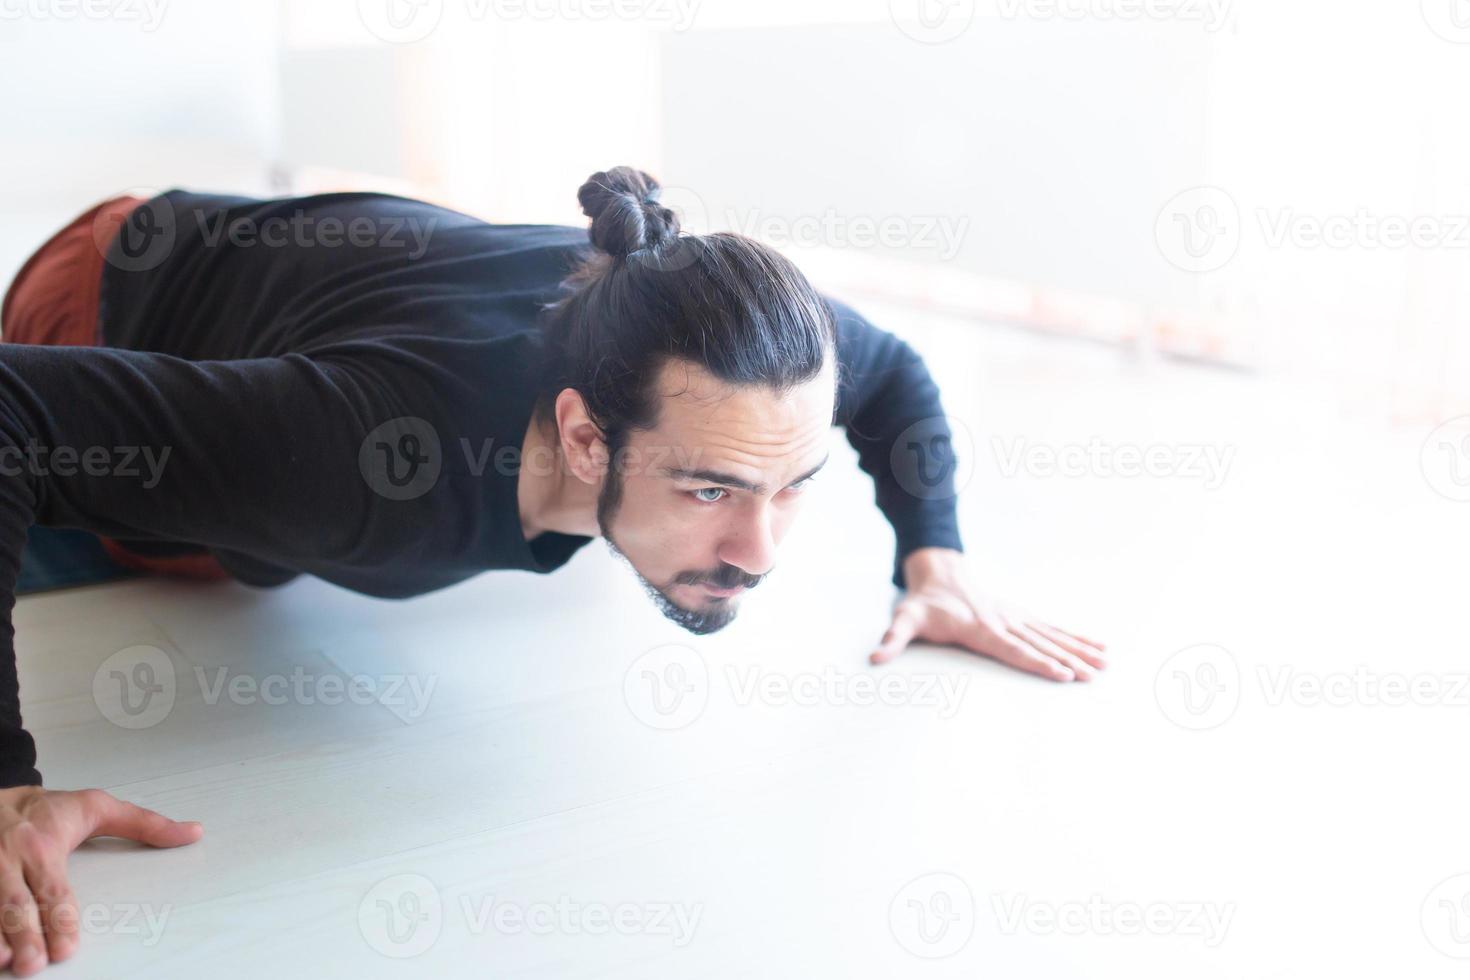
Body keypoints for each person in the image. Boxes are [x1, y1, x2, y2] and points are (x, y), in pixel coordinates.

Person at [0, 166, 1106, 973]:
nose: (760, 555)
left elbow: (894, 370)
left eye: (793, 482)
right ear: (584, 439)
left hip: (314, 286)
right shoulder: (374, 460)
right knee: (172, 562)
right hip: (112, 289)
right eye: (712, 488)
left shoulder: (737, 354)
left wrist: (936, 550)